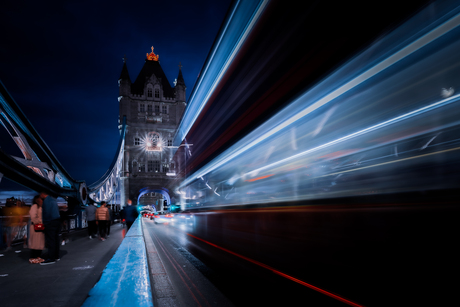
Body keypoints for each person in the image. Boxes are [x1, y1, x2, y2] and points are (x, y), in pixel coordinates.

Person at [39, 191, 60, 265]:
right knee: (56, 240)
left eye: (40, 194)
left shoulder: (46, 201)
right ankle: (56, 256)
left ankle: (51, 258)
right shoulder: (53, 200)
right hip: (57, 221)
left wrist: (45, 224)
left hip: (50, 222)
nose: (40, 195)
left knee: (51, 241)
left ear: (43, 194)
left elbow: (47, 214)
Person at [29, 195, 45, 264]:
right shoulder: (34, 206)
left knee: (40, 243)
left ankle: (38, 256)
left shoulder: (41, 207)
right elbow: (33, 217)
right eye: (41, 199)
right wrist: (40, 221)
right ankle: (32, 258)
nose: (42, 200)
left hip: (41, 227)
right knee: (35, 243)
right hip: (36, 227)